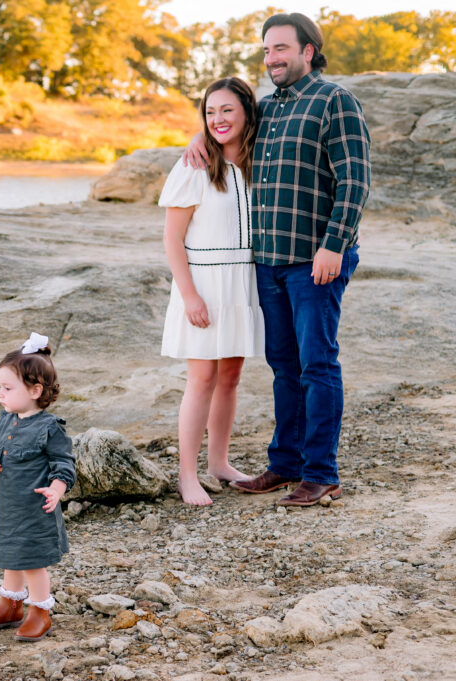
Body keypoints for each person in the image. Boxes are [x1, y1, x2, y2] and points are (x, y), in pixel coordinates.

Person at [184, 13, 370, 506]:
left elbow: (355, 180)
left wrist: (335, 243)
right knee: (283, 366)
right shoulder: (266, 109)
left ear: (308, 51)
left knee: (317, 364)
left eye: (281, 49)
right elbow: (228, 131)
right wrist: (200, 138)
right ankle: (285, 464)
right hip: (269, 262)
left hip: (316, 261)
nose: (272, 59)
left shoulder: (335, 101)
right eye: (267, 51)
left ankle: (321, 472)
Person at [160, 77, 265, 506]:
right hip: (203, 282)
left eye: (227, 110)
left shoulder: (261, 158)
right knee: (202, 377)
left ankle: (219, 464)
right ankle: (187, 475)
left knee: (231, 377)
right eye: (209, 112)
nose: (218, 119)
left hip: (243, 280)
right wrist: (190, 296)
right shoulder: (194, 165)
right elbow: (171, 239)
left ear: (246, 113)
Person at [0, 333, 75, 642]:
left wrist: (56, 490)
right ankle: (10, 604)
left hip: (36, 508)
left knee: (32, 561)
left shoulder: (49, 428)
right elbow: (0, 450)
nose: (0, 394)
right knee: (9, 554)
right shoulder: (7, 419)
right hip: (9, 504)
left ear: (35, 390)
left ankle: (39, 612)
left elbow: (64, 464)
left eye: (7, 388)